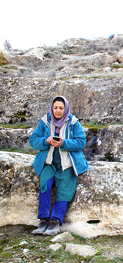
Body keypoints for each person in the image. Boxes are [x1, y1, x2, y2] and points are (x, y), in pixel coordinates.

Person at [29, 96, 88, 236]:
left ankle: (55, 222)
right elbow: (33, 141)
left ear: (65, 109)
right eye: (55, 108)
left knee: (64, 191)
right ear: (52, 108)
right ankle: (43, 221)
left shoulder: (73, 123)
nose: (58, 110)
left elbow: (81, 142)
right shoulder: (44, 122)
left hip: (67, 164)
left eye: (61, 108)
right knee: (45, 185)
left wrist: (64, 143)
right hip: (49, 163)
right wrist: (46, 140)